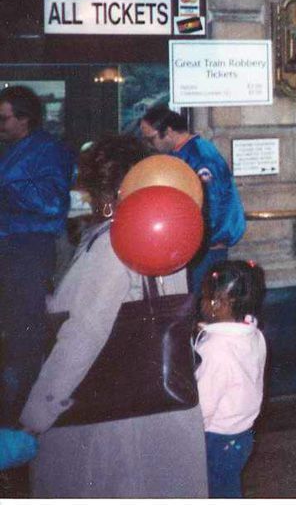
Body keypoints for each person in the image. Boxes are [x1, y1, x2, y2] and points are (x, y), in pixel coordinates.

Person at [19, 135, 207, 497]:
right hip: (159, 405)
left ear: (107, 190)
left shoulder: (115, 241)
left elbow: (85, 333)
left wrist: (38, 414)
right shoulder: (166, 231)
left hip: (110, 417)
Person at [0, 85, 74, 426]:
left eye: (4, 119)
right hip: (11, 248)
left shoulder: (48, 149)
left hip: (30, 249)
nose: (0, 125)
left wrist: (8, 187)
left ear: (25, 119)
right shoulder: (13, 147)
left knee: (25, 332)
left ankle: (25, 415)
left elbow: (54, 203)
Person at [139, 105, 246, 292]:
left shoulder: (199, 156)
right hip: (195, 244)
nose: (149, 144)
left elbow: (212, 204)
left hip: (206, 247)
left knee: (199, 299)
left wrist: (200, 239)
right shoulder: (181, 153)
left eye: (151, 138)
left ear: (169, 132)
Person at [196, 260, 268, 499]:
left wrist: (189, 435)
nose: (203, 302)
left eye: (207, 297)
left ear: (221, 303)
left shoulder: (215, 350)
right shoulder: (253, 335)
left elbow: (203, 405)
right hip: (243, 434)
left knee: (217, 491)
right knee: (227, 486)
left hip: (216, 437)